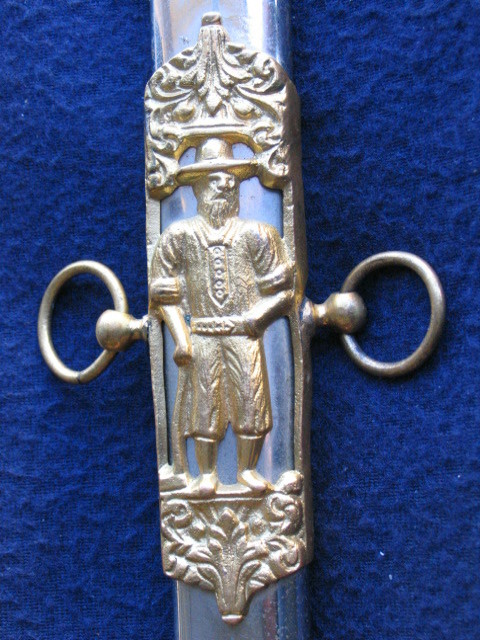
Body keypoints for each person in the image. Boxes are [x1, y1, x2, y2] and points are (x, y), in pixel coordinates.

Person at [150, 138, 293, 496]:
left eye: (231, 180)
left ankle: (247, 470)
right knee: (204, 407)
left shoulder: (258, 234)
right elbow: (161, 295)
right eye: (216, 179)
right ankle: (207, 474)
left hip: (245, 333)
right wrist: (180, 337)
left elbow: (284, 292)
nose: (226, 186)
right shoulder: (178, 235)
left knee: (252, 401)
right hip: (201, 334)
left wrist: (258, 317)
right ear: (198, 187)